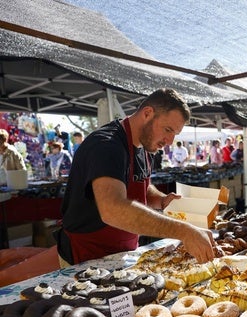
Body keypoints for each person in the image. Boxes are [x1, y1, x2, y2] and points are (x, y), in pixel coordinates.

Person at [56, 88, 217, 266]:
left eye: (175, 134)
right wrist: (185, 231)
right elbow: (112, 209)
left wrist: (162, 200)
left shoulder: (144, 145)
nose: (170, 141)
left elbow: (141, 186)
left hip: (123, 253)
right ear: (147, 113)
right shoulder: (107, 145)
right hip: (87, 257)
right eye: (168, 129)